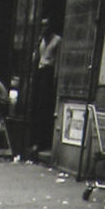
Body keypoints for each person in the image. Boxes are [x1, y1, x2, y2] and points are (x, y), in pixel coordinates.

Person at [30, 18, 61, 155]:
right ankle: (34, 140)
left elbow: (58, 60)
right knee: (36, 106)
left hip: (49, 72)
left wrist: (55, 78)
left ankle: (42, 142)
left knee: (44, 106)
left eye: (46, 25)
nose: (44, 28)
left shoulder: (57, 40)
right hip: (40, 71)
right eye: (42, 26)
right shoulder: (41, 41)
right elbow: (36, 58)